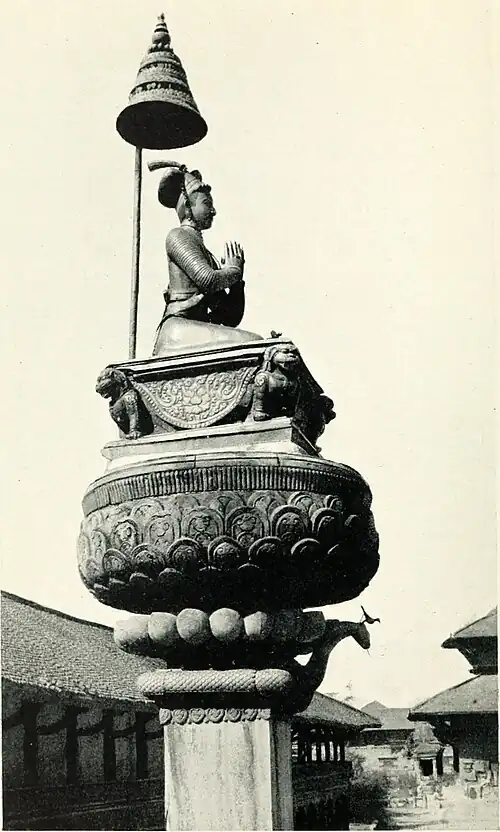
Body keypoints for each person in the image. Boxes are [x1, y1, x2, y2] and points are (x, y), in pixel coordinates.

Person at [148, 160, 262, 354]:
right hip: (178, 330)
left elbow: (229, 317)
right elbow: (207, 279)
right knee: (254, 344)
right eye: (207, 204)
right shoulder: (178, 236)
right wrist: (232, 271)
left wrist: (236, 282)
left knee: (255, 345)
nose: (213, 211)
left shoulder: (203, 250)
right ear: (187, 204)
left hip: (197, 328)